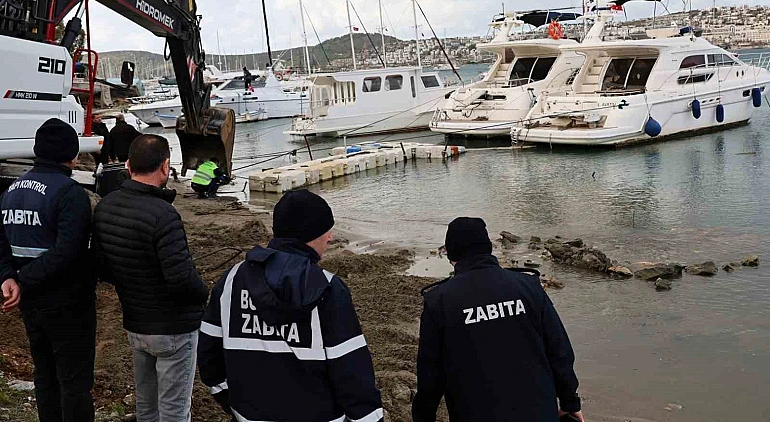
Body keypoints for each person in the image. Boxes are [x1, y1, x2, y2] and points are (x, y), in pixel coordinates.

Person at [198, 189, 383, 422]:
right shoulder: (328, 288)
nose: (331, 237)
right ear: (309, 234)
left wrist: (234, 403)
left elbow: (208, 359)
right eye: (326, 230)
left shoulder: (232, 280)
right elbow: (352, 374)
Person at [412, 217, 584, 422]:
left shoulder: (439, 301)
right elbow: (559, 351)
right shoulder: (528, 287)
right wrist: (569, 402)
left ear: (451, 254)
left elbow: (430, 376)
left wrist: (423, 417)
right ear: (488, 248)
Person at [92, 134, 208, 422]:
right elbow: (182, 280)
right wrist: (203, 292)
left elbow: (102, 266)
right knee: (174, 412)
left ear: (128, 166)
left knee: (147, 409)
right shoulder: (164, 215)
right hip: (173, 330)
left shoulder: (106, 206)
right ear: (165, 167)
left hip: (136, 325)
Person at [0, 118, 96, 422]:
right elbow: (68, 252)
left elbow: (1, 244)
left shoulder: (11, 191)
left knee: (44, 376)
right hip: (68, 303)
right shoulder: (70, 194)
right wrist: (19, 281)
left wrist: (7, 278)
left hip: (30, 305)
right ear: (71, 154)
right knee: (74, 382)